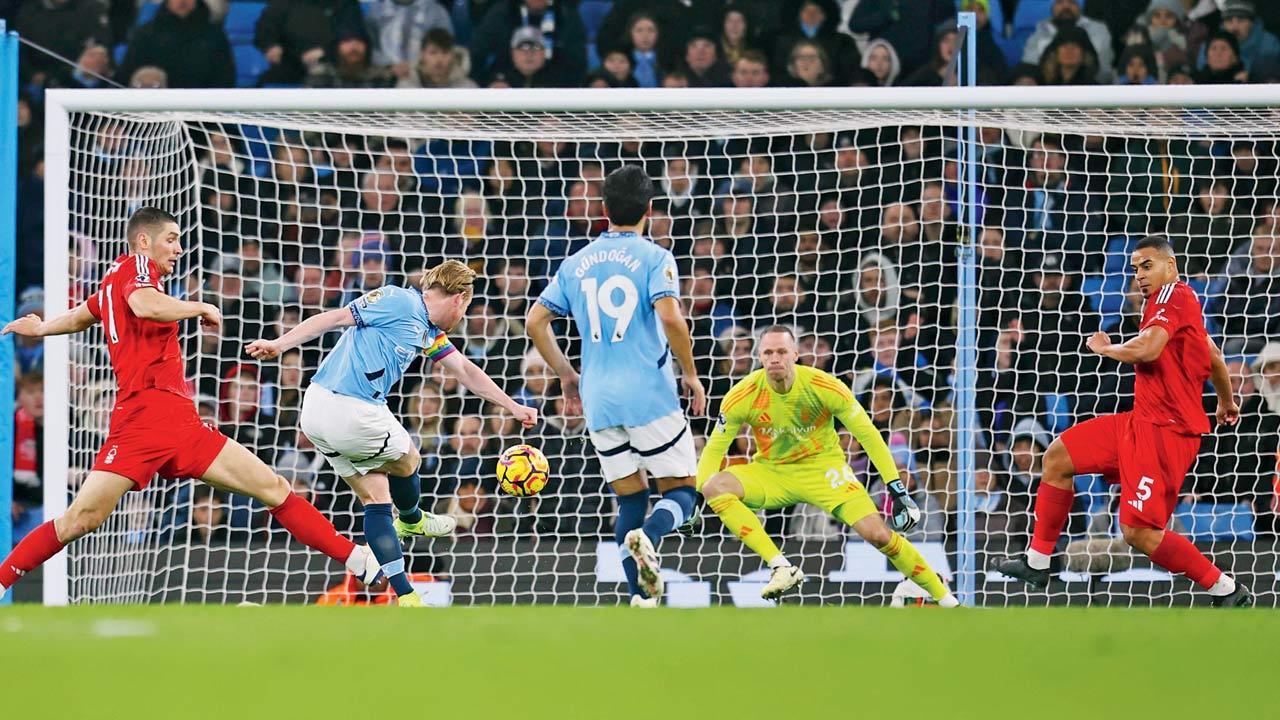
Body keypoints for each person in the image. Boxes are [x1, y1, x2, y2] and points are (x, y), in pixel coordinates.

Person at [0, 207, 386, 601]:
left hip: (178, 421)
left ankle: (356, 558)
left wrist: (44, 326)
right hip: (146, 420)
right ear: (143, 241)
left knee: (272, 487)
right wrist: (199, 307)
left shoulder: (113, 279)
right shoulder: (137, 268)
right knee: (81, 518)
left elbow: (86, 314)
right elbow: (145, 305)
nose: (179, 248)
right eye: (171, 238)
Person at [246, 260, 537, 606]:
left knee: (376, 497)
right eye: (466, 307)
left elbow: (465, 371)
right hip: (348, 406)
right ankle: (413, 519)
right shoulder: (400, 300)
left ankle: (405, 594)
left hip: (318, 413)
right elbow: (335, 318)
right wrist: (281, 344)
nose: (462, 318)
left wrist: (513, 407)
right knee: (409, 457)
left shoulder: (428, 332)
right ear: (459, 299)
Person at [993, 235, 1252, 608]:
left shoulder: (1171, 297)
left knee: (1139, 533)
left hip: (1166, 433)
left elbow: (1147, 349)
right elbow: (1211, 352)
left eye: (1147, 266)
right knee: (1057, 457)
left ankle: (1224, 588)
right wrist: (1226, 401)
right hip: (1139, 422)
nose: (1140, 276)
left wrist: (1106, 348)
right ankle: (1038, 562)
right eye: (1135, 270)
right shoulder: (1178, 303)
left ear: (1171, 266)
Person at [526, 165, 707, 607]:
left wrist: (567, 375)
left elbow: (535, 321)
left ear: (603, 209)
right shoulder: (655, 257)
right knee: (683, 490)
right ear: (650, 209)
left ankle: (638, 599)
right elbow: (669, 316)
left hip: (598, 398)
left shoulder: (575, 263)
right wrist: (690, 373)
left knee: (629, 497)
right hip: (648, 393)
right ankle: (652, 535)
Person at [698, 326, 957, 605]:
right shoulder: (741, 395)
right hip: (772, 473)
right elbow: (712, 453)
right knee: (715, 485)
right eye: (768, 352)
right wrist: (696, 497)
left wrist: (896, 487)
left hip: (825, 470)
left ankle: (946, 599)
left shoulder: (824, 386)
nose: (775, 358)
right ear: (759, 356)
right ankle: (780, 566)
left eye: (782, 351)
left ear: (796, 355)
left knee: (879, 535)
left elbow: (868, 434)